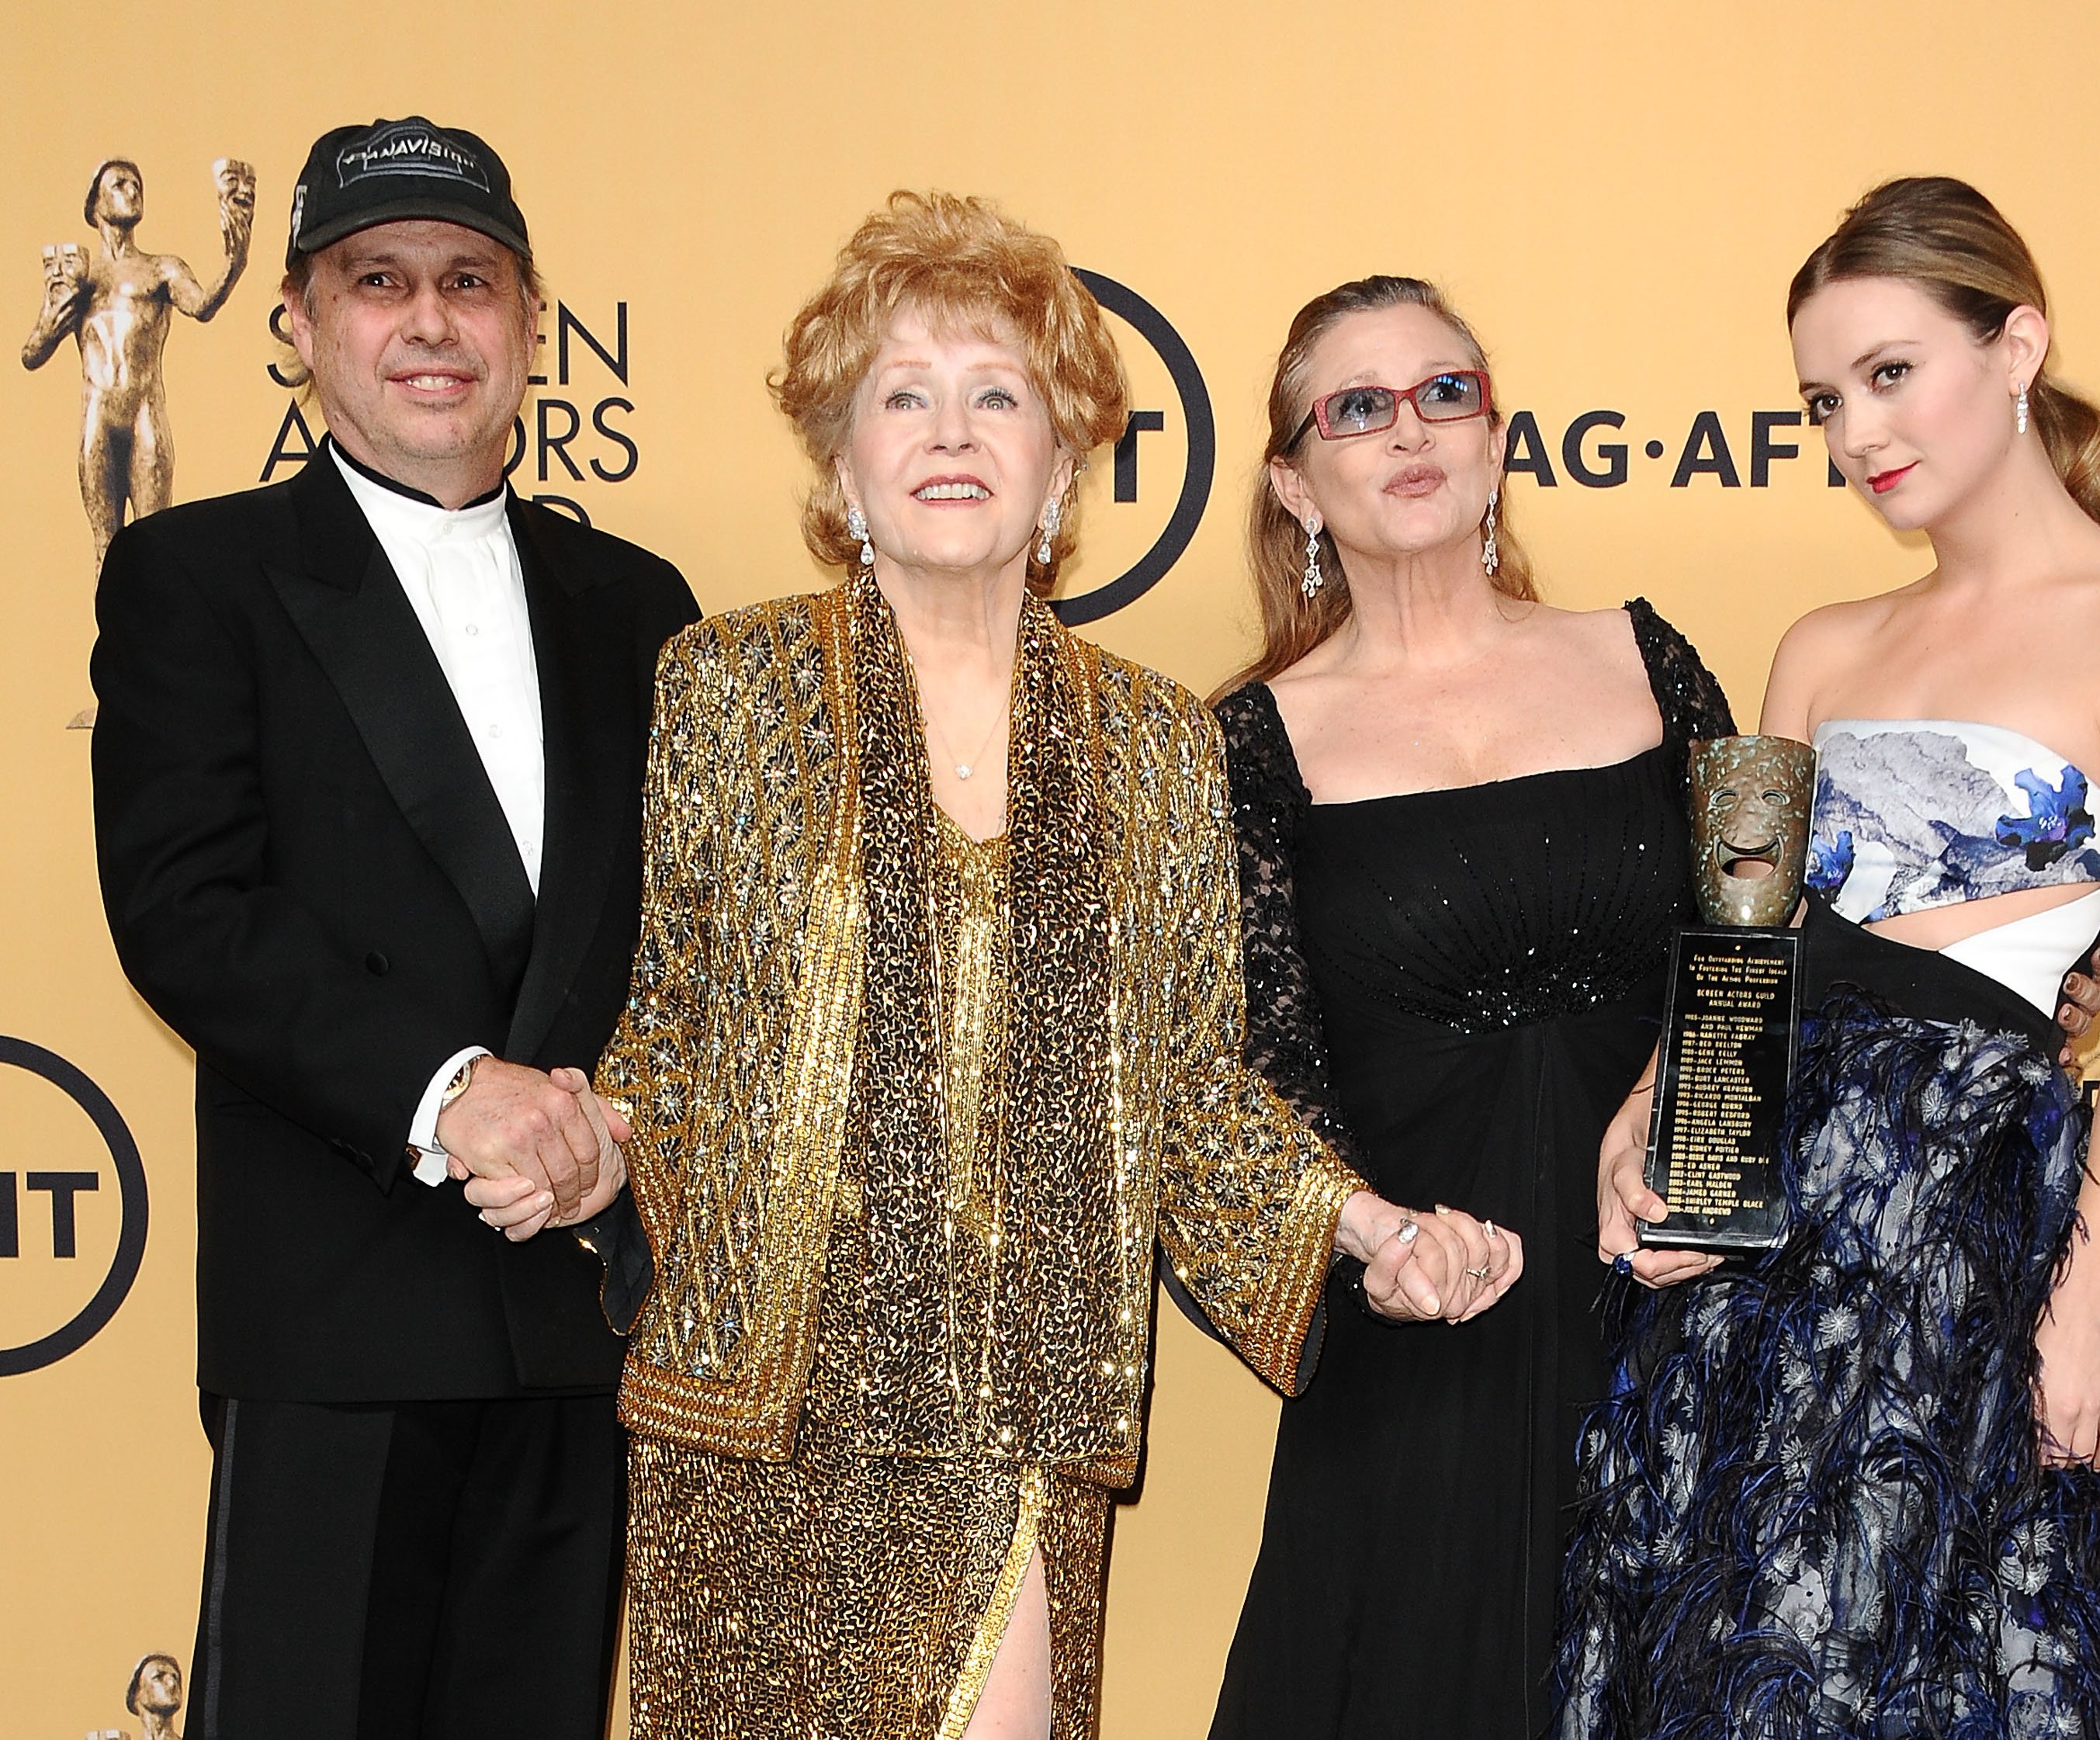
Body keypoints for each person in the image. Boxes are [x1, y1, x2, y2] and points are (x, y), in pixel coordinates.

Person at [466, 192, 1509, 1740]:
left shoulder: (1154, 741)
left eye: (996, 394)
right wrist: (594, 1153)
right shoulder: (730, 685)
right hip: (758, 1409)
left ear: (1064, 463)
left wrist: (1366, 1228)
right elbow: (676, 1027)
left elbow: (1188, 1080)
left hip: (1019, 1406)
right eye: (905, 394)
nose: (950, 431)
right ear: (842, 462)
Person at [1564, 176, 2100, 1739]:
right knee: (1706, 1647)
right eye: (1822, 398)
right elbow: (1748, 958)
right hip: (1759, 1241)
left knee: (1897, 1659)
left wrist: (2081, 1308)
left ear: (2019, 345)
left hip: (1949, 1230)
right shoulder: (1822, 644)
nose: (1856, 433)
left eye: (1889, 373)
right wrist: (1651, 1131)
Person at [89, 116, 699, 1738]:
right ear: (299, 324)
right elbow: (186, 907)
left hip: (578, 1306)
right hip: (340, 1315)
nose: (430, 321)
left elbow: (695, 941)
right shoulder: (194, 575)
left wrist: (607, 1135)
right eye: (379, 281)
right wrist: (452, 1090)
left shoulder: (641, 604)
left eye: (469, 281)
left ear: (529, 323)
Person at [1194, 275, 1731, 1739]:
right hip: (1424, 1338)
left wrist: (1708, 1174)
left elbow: (1752, 960)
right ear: (1295, 482)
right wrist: (1360, 1250)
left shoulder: (1647, 659)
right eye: (1358, 406)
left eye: (1446, 391)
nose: (1410, 428)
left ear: (1499, 441)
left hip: (1677, 1309)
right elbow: (1216, 1092)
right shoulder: (1238, 750)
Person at [23, 156, 255, 573]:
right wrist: (50, 318)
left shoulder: (161, 268)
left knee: (154, 540)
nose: (131, 190)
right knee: (105, 545)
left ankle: (154, 639)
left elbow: (202, 306)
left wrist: (234, 263)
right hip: (97, 415)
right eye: (119, 184)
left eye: (136, 185)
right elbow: (32, 354)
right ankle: (109, 639)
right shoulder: (80, 277)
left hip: (144, 411)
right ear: (94, 205)